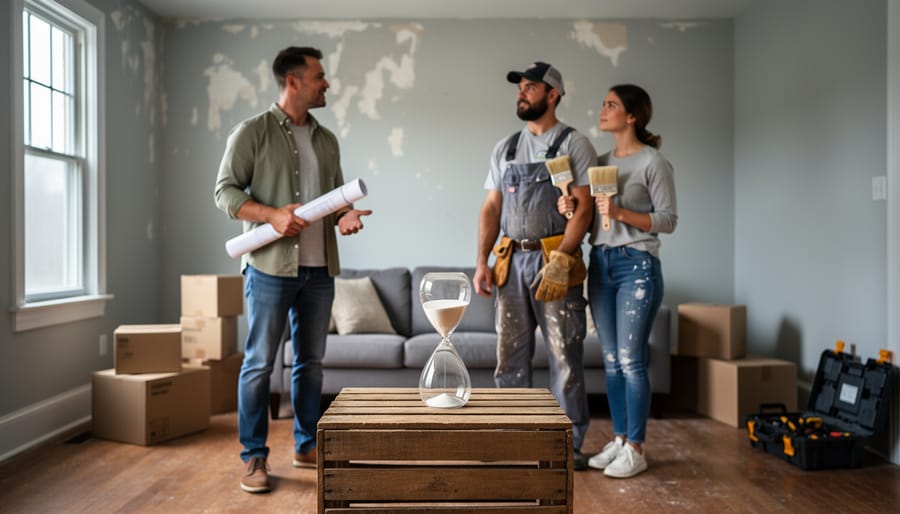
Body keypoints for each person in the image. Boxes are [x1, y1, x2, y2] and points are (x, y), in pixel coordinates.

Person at [214, 46, 372, 494]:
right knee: (260, 364)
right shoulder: (253, 132)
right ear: (293, 81)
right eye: (320, 76)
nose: (327, 84)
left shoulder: (326, 139)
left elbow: (336, 201)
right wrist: (271, 215)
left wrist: (347, 217)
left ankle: (305, 446)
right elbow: (224, 193)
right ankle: (254, 459)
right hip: (268, 268)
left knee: (311, 364)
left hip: (319, 271)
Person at [474, 61, 597, 471]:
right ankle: (514, 437)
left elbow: (584, 207)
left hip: (554, 260)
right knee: (510, 356)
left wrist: (563, 257)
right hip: (511, 263)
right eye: (520, 88)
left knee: (564, 353)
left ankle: (569, 443)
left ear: (553, 94)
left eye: (530, 87)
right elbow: (492, 206)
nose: (521, 93)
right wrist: (481, 261)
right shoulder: (505, 148)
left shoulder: (574, 143)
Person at [558, 84, 677, 478]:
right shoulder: (601, 163)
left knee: (631, 361)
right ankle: (621, 440)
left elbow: (668, 221)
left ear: (632, 116)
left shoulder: (653, 163)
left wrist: (621, 212)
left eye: (611, 104)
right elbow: (594, 219)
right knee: (610, 363)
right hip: (602, 263)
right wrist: (572, 207)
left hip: (637, 266)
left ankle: (638, 449)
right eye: (604, 103)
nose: (603, 109)